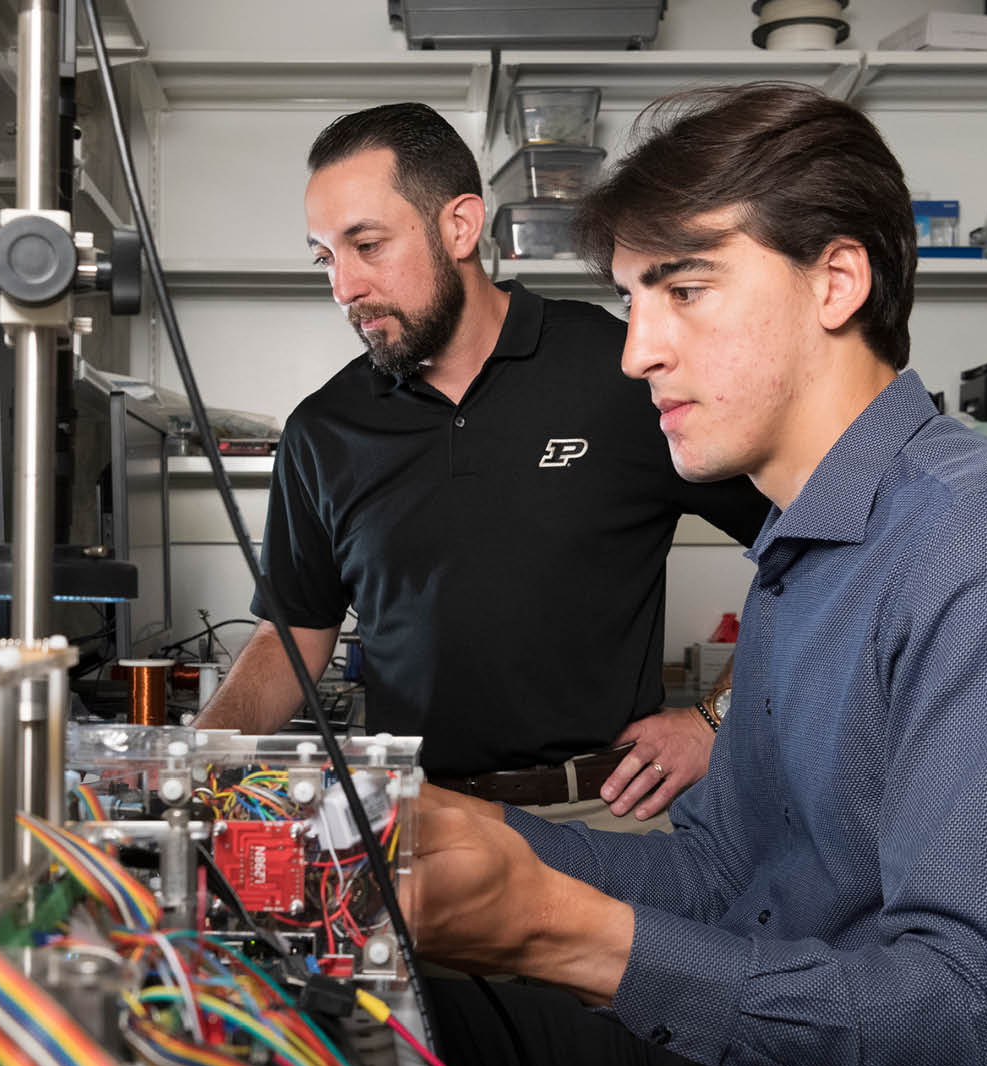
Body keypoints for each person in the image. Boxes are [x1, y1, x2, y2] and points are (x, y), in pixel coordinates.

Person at [408, 82, 987, 1066]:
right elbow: (722, 870)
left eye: (682, 290)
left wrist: (559, 934)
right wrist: (464, 831)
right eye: (630, 301)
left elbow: (974, 1026)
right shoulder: (802, 544)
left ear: (837, 282)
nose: (638, 351)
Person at [193, 103, 771, 828]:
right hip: (419, 820)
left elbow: (807, 550)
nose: (343, 287)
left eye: (366, 246)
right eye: (326, 257)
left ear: (460, 227)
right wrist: (189, 763)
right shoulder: (325, 430)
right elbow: (292, 637)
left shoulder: (619, 370)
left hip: (603, 813)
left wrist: (716, 721)